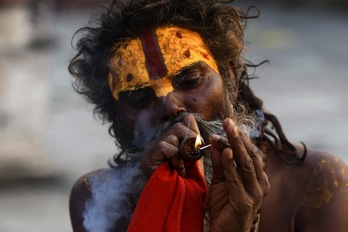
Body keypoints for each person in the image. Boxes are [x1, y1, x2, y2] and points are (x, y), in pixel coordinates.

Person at [68, 0, 348, 231]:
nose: (171, 107)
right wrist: (158, 201)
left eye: (189, 80)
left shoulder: (318, 184)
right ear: (116, 119)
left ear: (230, 78)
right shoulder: (96, 199)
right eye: (141, 98)